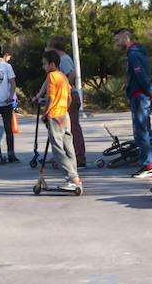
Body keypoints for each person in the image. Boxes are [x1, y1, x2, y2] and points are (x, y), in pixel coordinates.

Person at [114, 28, 152, 178]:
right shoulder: (136, 53)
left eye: (117, 40)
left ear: (126, 39)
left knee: (141, 132)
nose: (116, 44)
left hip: (140, 97)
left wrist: (150, 92)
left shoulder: (134, 54)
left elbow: (142, 75)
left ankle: (148, 165)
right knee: (146, 130)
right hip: (141, 96)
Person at [34, 50, 81, 190]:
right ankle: (76, 176)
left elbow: (51, 98)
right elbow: (69, 98)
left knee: (58, 150)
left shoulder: (52, 77)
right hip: (64, 116)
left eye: (44, 64)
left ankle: (71, 177)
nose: (43, 67)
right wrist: (64, 110)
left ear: (52, 64)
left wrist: (45, 114)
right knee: (69, 147)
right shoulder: (63, 77)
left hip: (54, 116)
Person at [37, 36, 87, 168]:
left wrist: (63, 91)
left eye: (48, 46)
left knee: (71, 129)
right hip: (65, 97)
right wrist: (39, 94)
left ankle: (78, 157)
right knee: (63, 130)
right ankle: (64, 157)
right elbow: (48, 82)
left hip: (69, 96)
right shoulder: (54, 70)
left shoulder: (64, 59)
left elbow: (71, 75)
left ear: (54, 47)